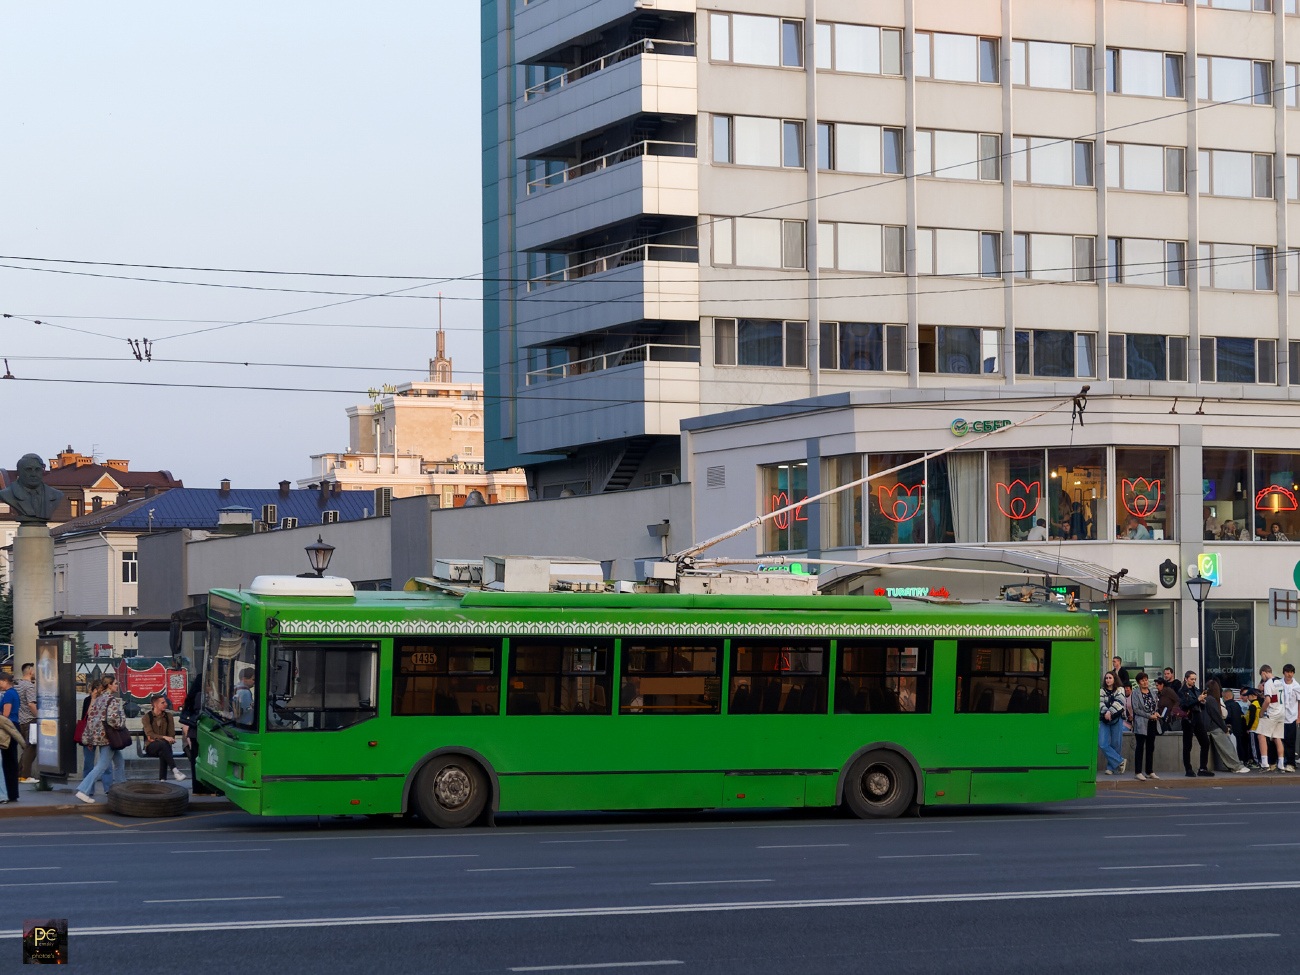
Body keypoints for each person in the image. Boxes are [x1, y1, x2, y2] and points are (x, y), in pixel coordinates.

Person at [74, 676, 126, 804]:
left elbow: (91, 720)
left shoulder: (98, 700)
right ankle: (83, 790)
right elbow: (113, 720)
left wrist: (91, 739)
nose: (117, 685)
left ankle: (121, 790)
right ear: (109, 685)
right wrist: (122, 723)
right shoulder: (111, 700)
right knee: (102, 766)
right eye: (115, 683)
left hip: (100, 737)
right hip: (110, 738)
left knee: (119, 762)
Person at [1205, 680, 1250, 774]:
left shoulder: (1207, 699)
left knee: (1226, 746)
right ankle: (1236, 766)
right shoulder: (1212, 700)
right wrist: (1225, 728)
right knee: (1227, 746)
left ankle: (1233, 765)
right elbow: (1216, 716)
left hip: (1210, 726)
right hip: (1213, 727)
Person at [141, 694, 185, 782]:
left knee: (163, 750)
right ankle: (175, 770)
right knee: (164, 744)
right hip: (151, 746)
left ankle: (162, 780)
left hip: (165, 746)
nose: (166, 704)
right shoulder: (147, 717)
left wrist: (157, 738)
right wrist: (164, 737)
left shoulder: (168, 716)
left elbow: (171, 734)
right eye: (163, 702)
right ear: (155, 705)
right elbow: (149, 733)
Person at [1179, 671, 1212, 777]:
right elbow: (1184, 704)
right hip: (1188, 717)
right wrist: (1197, 700)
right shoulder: (1182, 691)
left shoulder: (1196, 690)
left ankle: (1203, 768)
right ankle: (1188, 769)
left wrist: (1202, 702)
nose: (1193, 681)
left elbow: (1200, 705)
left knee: (1205, 742)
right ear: (1186, 679)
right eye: (1192, 679)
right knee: (1188, 745)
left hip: (1197, 716)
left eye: (1195, 679)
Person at [1258, 665, 1288, 772]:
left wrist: (1261, 712)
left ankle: (1265, 763)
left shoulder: (1268, 683)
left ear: (1264, 672)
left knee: (1261, 735)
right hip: (1281, 712)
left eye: (1261, 675)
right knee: (1277, 737)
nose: (1262, 678)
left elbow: (1267, 700)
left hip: (1272, 712)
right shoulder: (1280, 682)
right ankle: (1281, 764)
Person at [1130, 672, 1160, 780]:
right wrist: (1149, 715)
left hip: (1152, 722)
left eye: (1146, 680)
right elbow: (1136, 709)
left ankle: (1149, 771)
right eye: (1142, 680)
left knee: (1150, 747)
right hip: (1141, 722)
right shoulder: (1136, 693)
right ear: (1138, 683)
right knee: (1140, 747)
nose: (1145, 682)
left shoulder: (1152, 691)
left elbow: (1155, 706)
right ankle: (1138, 772)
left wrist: (1156, 714)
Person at [1099, 672, 1127, 775]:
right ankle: (1120, 761)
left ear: (1114, 679)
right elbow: (1100, 703)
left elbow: (1119, 702)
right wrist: (1106, 712)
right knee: (1102, 743)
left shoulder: (1120, 689)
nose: (1108, 680)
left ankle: (1111, 768)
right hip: (1104, 719)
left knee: (1116, 743)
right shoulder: (1101, 691)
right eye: (1106, 678)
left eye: (1110, 678)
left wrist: (1110, 712)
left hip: (1117, 719)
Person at [0, 674, 21, 803]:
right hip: (14, 726)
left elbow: (6, 714)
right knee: (11, 761)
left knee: (7, 763)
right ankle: (13, 793)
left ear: (5, 681)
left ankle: (8, 792)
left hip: (8, 728)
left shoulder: (8, 694)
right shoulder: (14, 693)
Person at [15, 662, 37, 783]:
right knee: (31, 748)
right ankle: (25, 775)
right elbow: (31, 704)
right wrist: (39, 716)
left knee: (27, 748)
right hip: (30, 720)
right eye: (33, 671)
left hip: (20, 720)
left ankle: (19, 773)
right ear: (30, 672)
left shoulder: (17, 685)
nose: (34, 673)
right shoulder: (29, 686)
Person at [1281, 664, 1300, 773]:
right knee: (1279, 740)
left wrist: (1298, 717)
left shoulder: (1296, 686)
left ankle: (1291, 763)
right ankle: (1280, 761)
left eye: (1291, 672)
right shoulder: (1279, 684)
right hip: (1280, 717)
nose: (1289, 674)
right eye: (1287, 672)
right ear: (1284, 672)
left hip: (1292, 717)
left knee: (1290, 741)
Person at [1224, 687, 1251, 765]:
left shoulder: (1227, 705)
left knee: (1233, 746)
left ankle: (1236, 760)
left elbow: (1228, 716)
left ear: (1225, 697)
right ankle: (1243, 759)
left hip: (1232, 729)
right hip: (1239, 728)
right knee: (1240, 745)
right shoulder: (1237, 705)